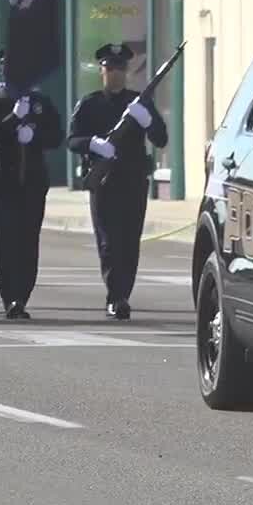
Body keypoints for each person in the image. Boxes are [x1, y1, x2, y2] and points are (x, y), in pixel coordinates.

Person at [67, 43, 168, 320]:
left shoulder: (138, 103)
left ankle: (124, 293)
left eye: (120, 68)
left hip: (133, 181)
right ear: (102, 71)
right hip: (104, 183)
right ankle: (116, 296)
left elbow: (161, 138)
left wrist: (147, 120)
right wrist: (94, 144)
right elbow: (72, 140)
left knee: (129, 242)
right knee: (108, 242)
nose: (115, 74)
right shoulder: (89, 104)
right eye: (109, 68)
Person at [0, 53, 63, 319]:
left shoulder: (41, 102)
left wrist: (35, 136)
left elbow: (56, 137)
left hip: (32, 184)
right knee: (6, 243)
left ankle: (22, 298)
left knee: (29, 243)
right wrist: (13, 120)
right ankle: (10, 299)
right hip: (3, 183)